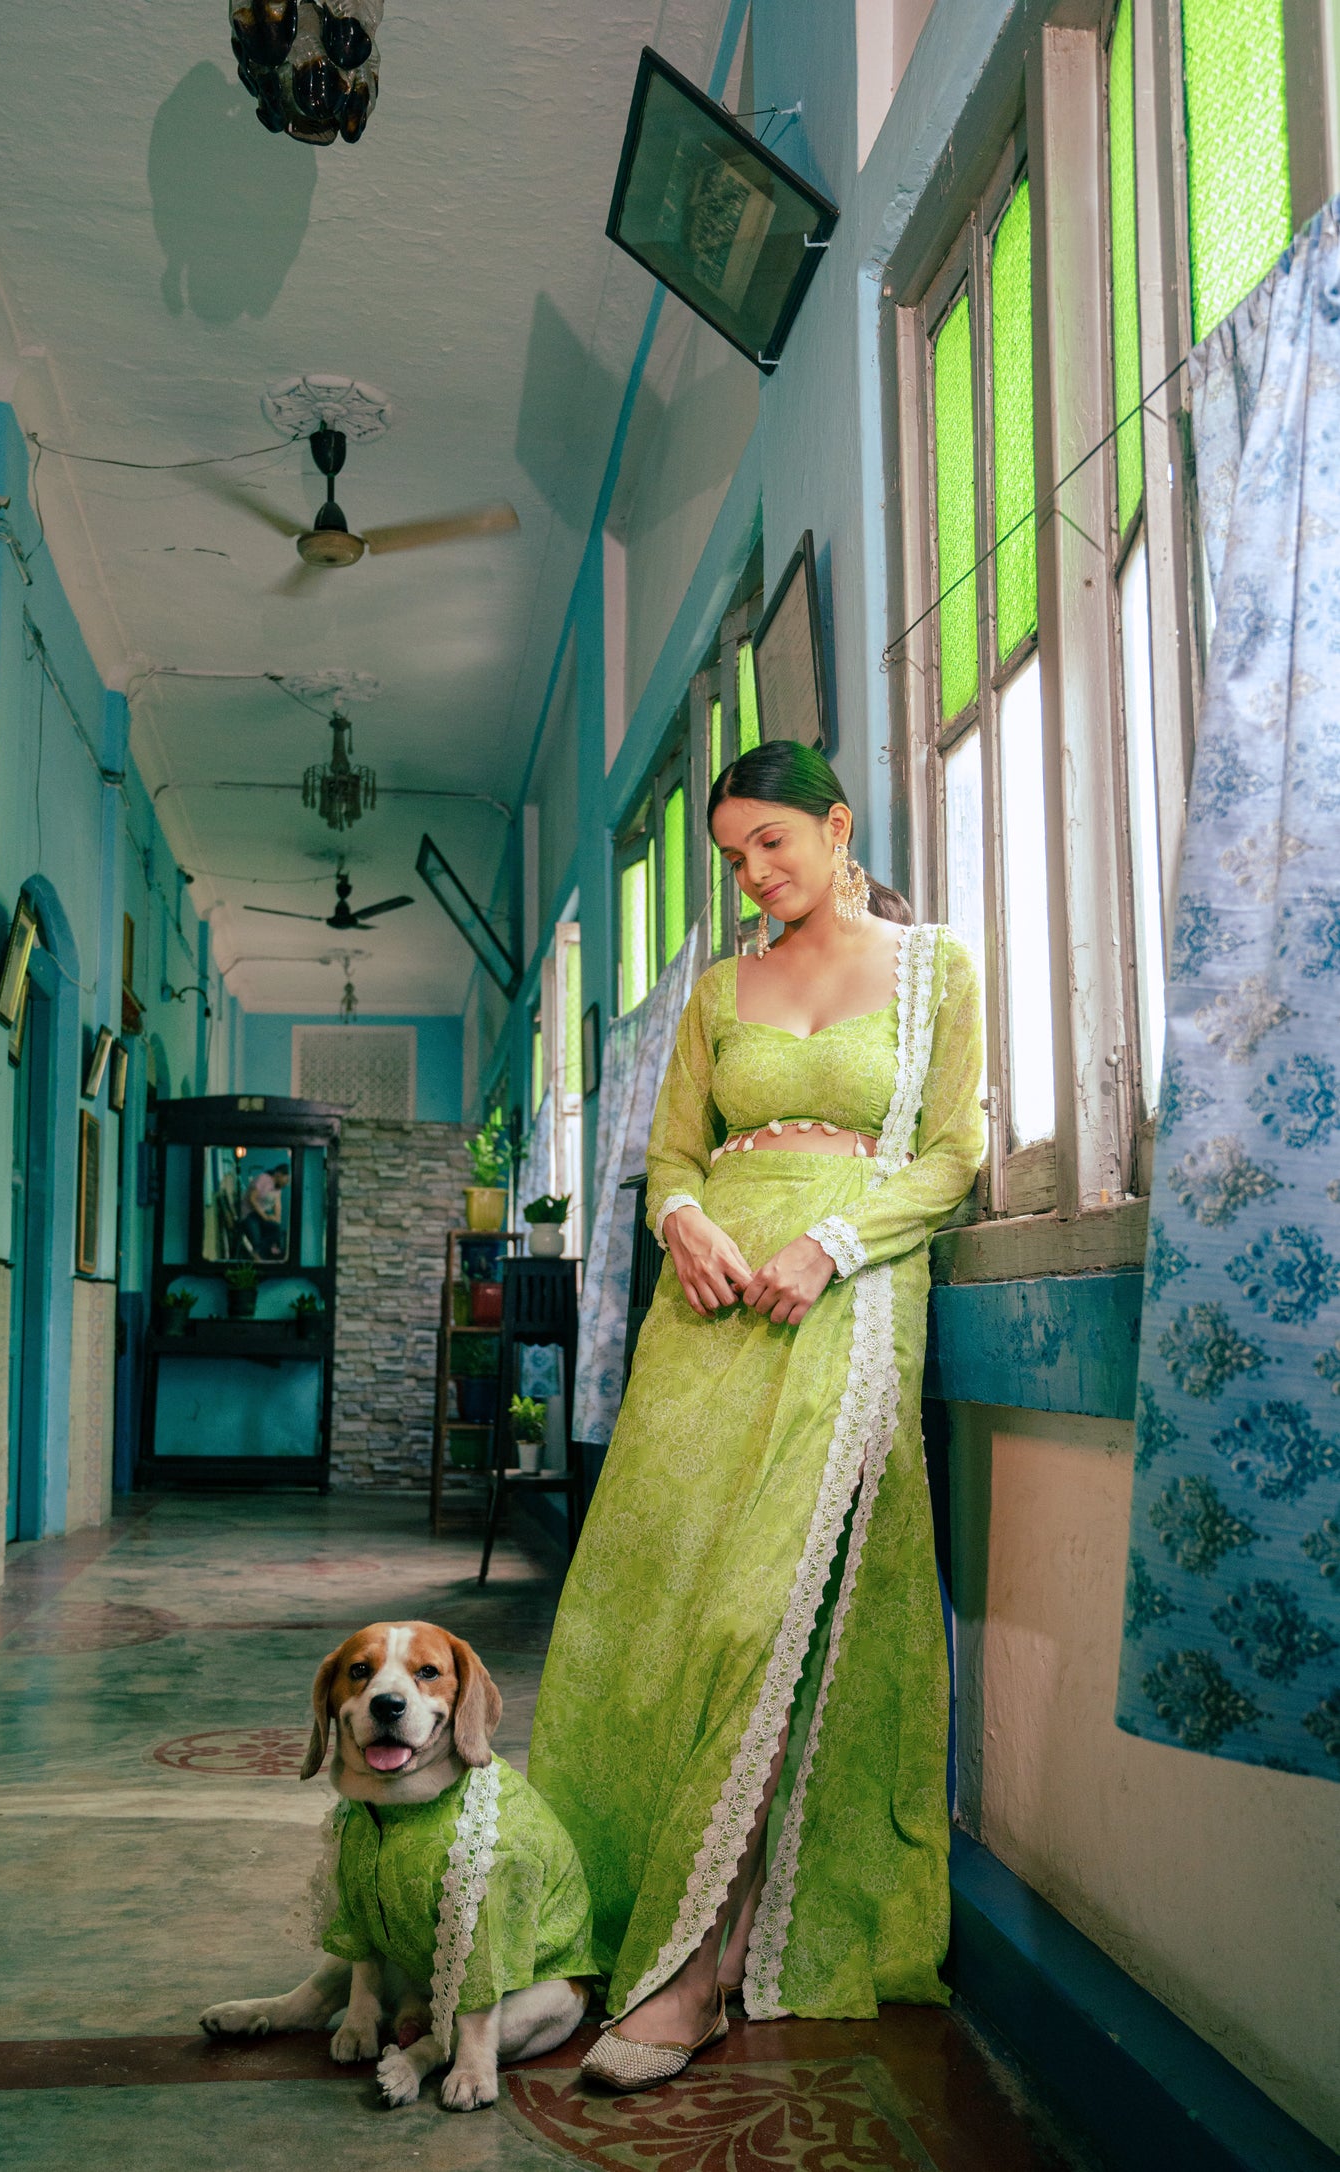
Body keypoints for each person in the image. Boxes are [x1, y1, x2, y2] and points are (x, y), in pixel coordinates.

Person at [528, 740, 984, 2092]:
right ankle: (586, 1927)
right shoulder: (719, 992)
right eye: (733, 853)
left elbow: (954, 1153)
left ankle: (700, 1962)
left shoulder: (934, 972)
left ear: (839, 828)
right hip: (708, 1313)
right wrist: (680, 1220)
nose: (754, 872)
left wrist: (832, 1246)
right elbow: (672, 1152)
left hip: (838, 1305)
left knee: (757, 1614)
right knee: (645, 1609)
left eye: (774, 841)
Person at [240, 1162, 289, 1260]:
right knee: (256, 1237)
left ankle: (264, 1255)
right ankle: (257, 1257)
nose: (287, 1182)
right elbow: (252, 1199)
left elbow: (277, 1205)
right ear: (278, 1174)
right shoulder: (263, 1179)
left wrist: (276, 1219)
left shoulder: (278, 1187)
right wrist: (265, 1217)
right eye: (286, 1178)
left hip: (261, 1214)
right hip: (249, 1213)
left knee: (276, 1230)